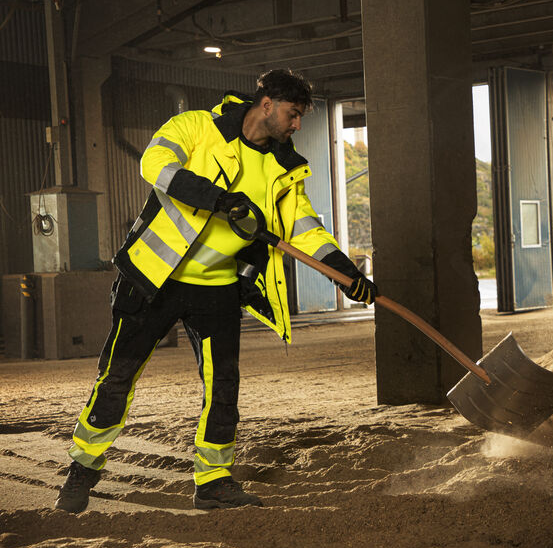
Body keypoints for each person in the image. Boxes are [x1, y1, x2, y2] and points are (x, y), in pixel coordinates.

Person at [54, 69, 376, 512]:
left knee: (223, 387)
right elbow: (156, 164)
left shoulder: (284, 168)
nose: (297, 125)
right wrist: (217, 197)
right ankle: (82, 471)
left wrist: (342, 270)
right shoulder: (196, 127)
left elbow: (303, 227)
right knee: (117, 377)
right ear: (267, 104)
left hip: (218, 288)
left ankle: (213, 481)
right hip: (154, 279)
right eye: (293, 114)